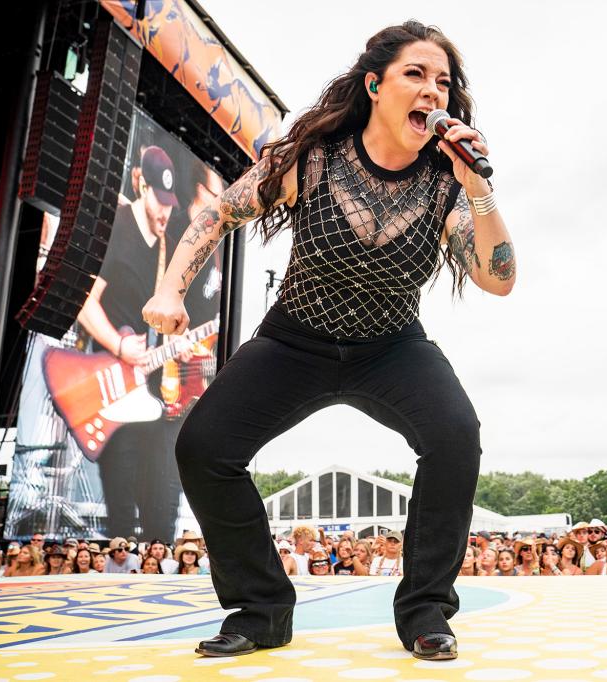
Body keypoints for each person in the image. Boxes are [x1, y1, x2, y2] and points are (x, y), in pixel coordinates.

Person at [142, 21, 513, 661]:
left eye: (444, 82)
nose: (432, 91)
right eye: (415, 75)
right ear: (375, 85)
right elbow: (217, 213)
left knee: (456, 437)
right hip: (295, 342)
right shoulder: (311, 162)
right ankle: (259, 611)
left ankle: (426, 612)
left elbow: (498, 278)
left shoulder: (449, 185)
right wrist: (171, 289)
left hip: (392, 346)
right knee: (205, 448)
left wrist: (479, 190)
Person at [76, 143, 189, 543]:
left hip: (150, 388)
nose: (165, 212)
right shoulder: (117, 228)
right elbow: (84, 302)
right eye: (159, 201)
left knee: (159, 492)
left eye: (170, 203)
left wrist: (177, 340)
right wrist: (119, 346)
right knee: (121, 498)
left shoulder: (166, 247)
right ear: (141, 187)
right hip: (111, 381)